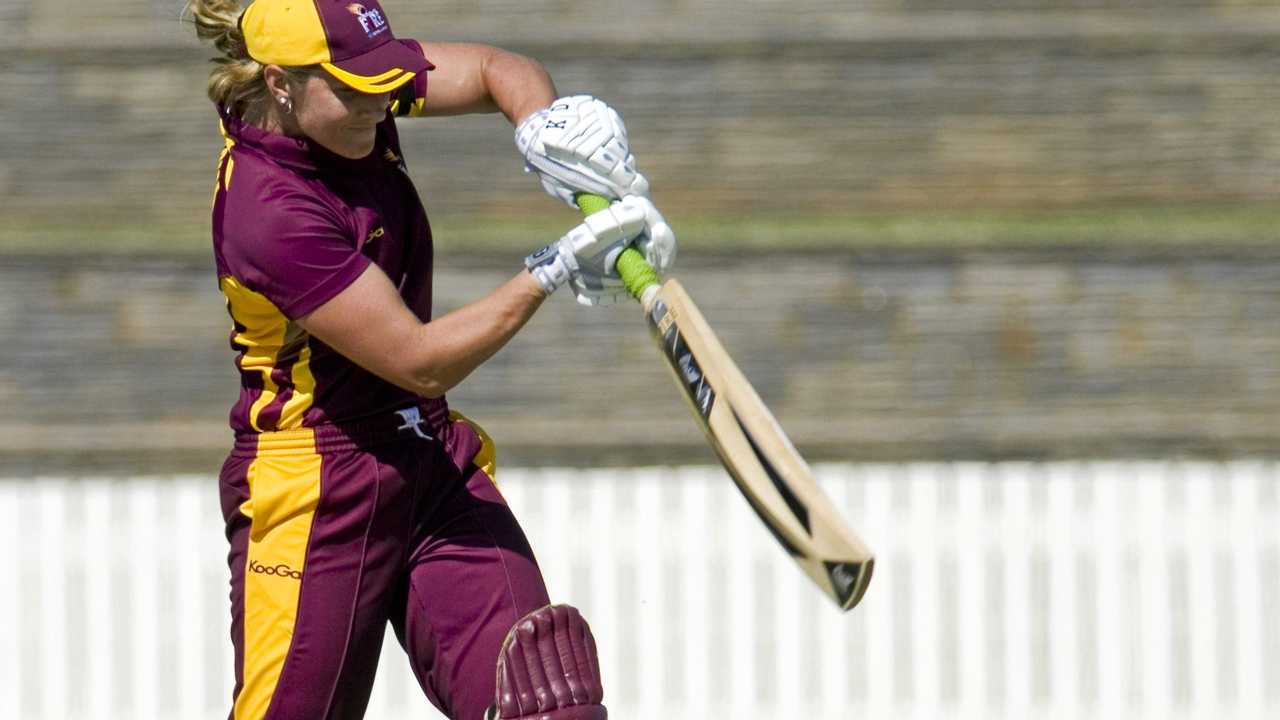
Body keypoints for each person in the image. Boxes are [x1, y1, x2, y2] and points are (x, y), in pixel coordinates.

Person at [184, 1, 675, 718]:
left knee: (546, 698)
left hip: (428, 455)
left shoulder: (357, 89)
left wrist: (544, 127)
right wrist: (556, 266)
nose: (378, 102)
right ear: (279, 84)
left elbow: (495, 69)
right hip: (317, 485)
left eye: (385, 80)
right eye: (353, 88)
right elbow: (418, 361)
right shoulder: (268, 208)